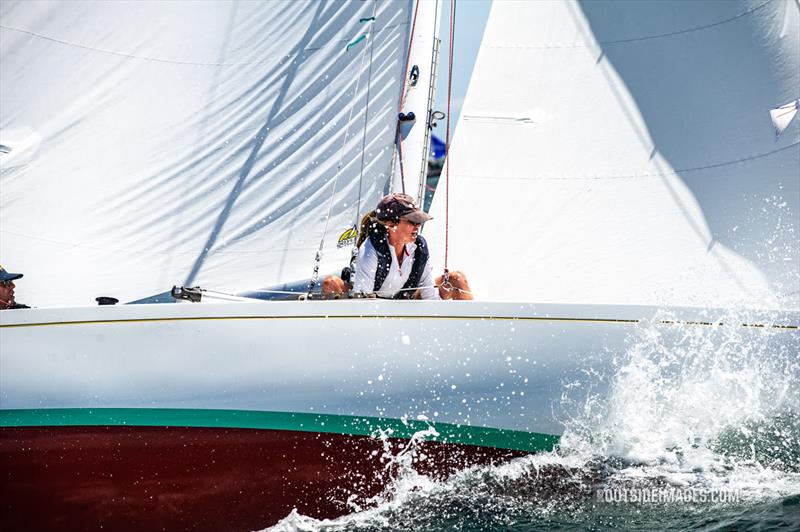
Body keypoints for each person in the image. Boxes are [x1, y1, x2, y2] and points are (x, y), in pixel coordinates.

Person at [323, 193, 472, 300]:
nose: (418, 226)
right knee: (330, 284)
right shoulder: (371, 249)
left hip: (403, 301)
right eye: (412, 221)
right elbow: (362, 303)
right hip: (371, 302)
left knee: (457, 279)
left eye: (419, 221)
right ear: (391, 224)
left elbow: (430, 297)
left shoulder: (419, 247)